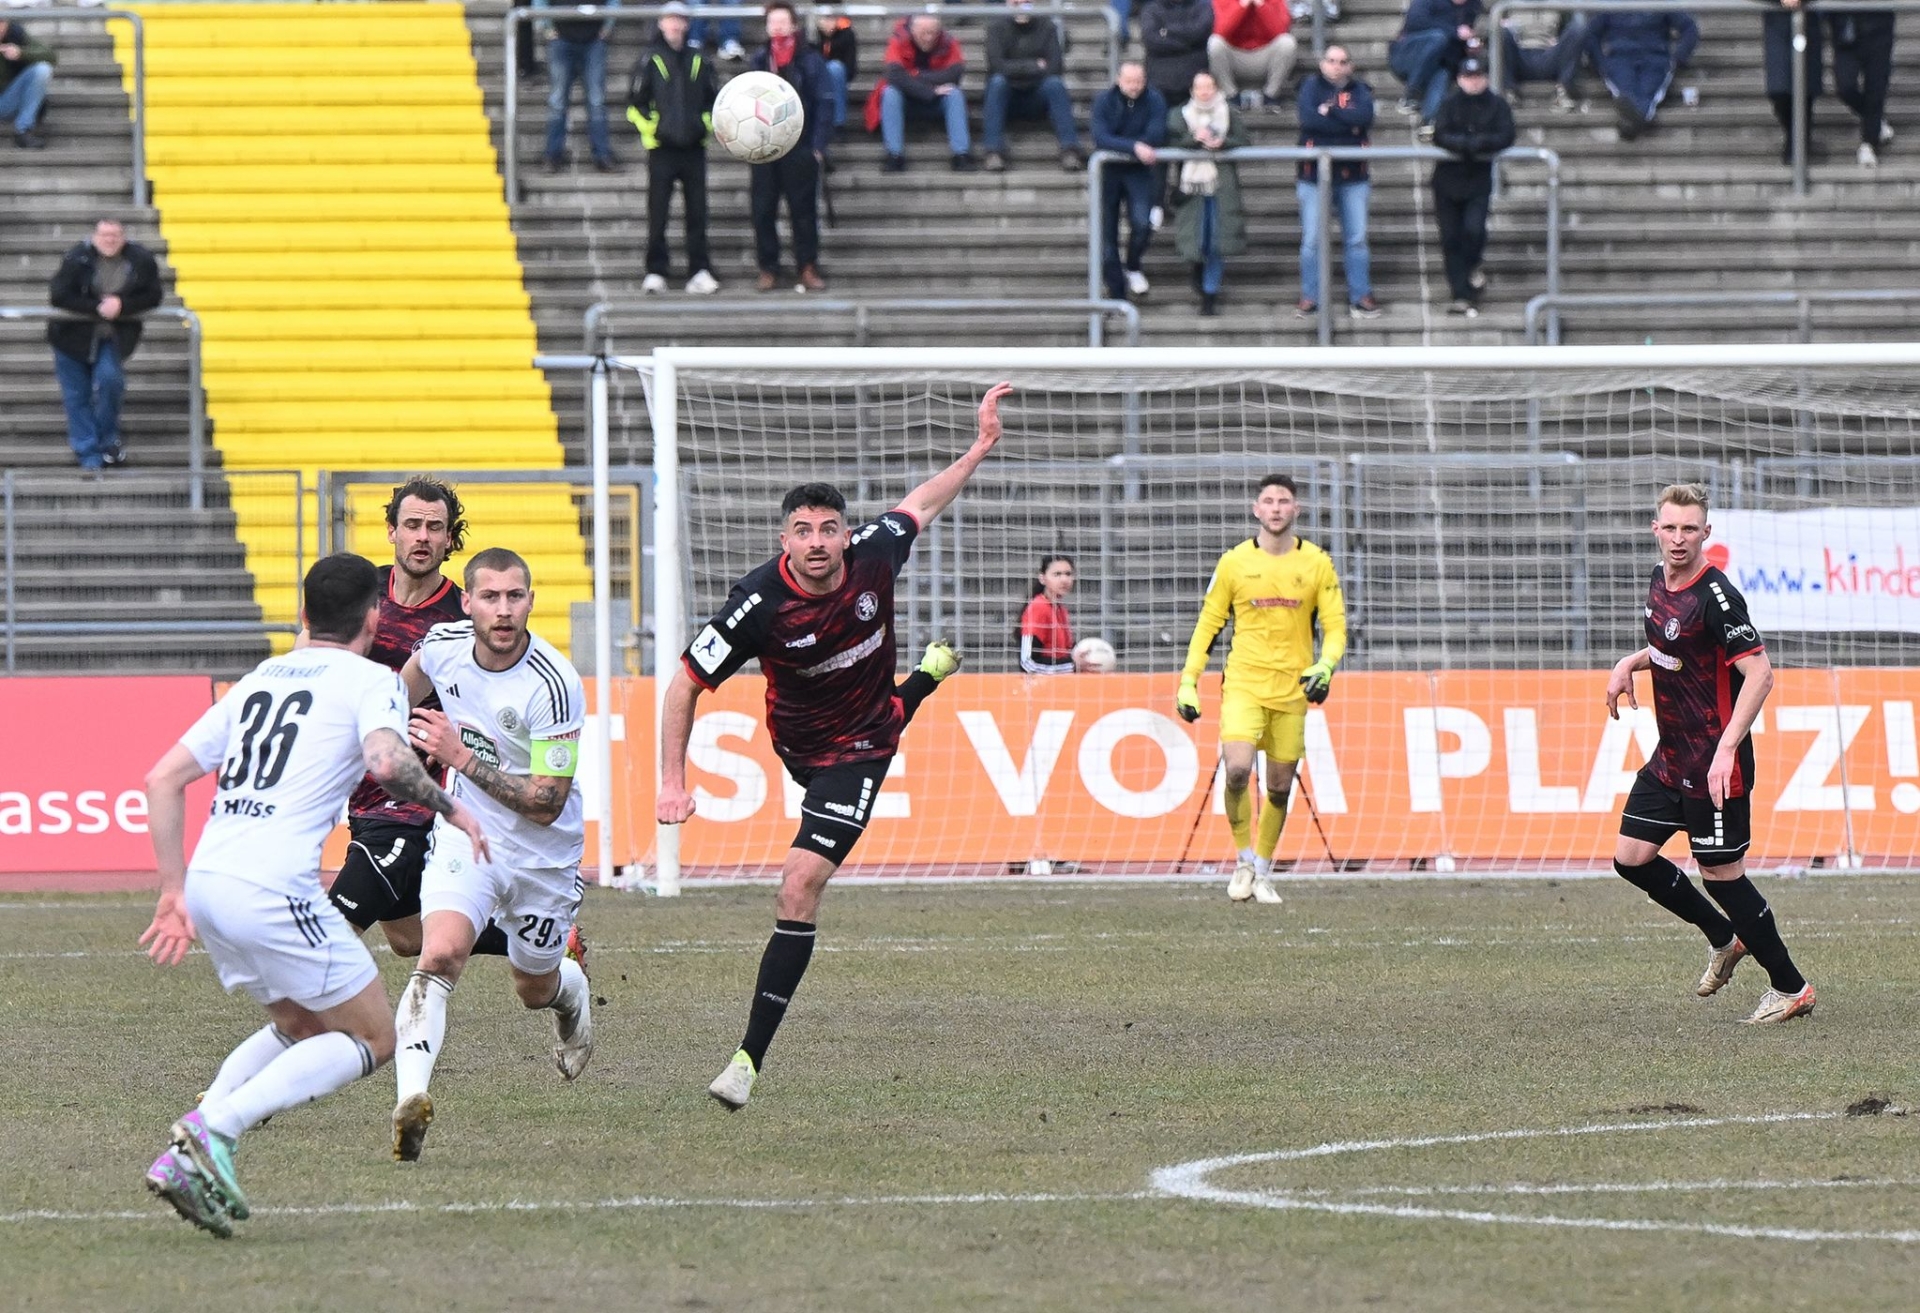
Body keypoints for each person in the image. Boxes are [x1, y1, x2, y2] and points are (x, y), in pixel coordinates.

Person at [658, 383, 1014, 1110]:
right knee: (885, 705)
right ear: (784, 541)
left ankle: (746, 1062)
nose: (818, 541)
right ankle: (926, 678)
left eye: (828, 528)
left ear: (847, 535)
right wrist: (671, 780)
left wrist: (979, 446)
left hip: (858, 750)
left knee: (798, 884)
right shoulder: (757, 605)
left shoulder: (877, 554)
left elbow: (924, 502)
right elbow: (683, 685)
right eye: (803, 530)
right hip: (797, 742)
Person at [138, 554, 490, 1238]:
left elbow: (162, 779)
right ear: (373, 619)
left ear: (304, 615)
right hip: (274, 886)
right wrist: (454, 808)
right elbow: (386, 761)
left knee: (302, 1022)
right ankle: (212, 1130)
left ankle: (194, 1139)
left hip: (210, 881)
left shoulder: (258, 679)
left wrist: (173, 889)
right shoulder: (373, 680)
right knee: (375, 1036)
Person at [389, 548, 596, 1161]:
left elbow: (546, 803)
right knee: (439, 954)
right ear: (468, 603)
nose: (503, 610)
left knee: (533, 987)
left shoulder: (554, 684)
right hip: (468, 835)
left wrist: (458, 756)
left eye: (514, 597)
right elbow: (398, 694)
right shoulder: (442, 647)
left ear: (531, 602)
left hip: (543, 859)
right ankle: (410, 1100)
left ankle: (572, 993)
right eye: (490, 597)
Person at [319, 479, 560, 969]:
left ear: (450, 538)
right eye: (412, 525)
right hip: (362, 789)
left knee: (331, 927)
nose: (422, 537)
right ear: (392, 531)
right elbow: (314, 657)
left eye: (435, 528)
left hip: (415, 803)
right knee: (409, 937)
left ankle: (320, 1022)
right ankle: (541, 940)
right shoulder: (359, 595)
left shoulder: (467, 616)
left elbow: (506, 695)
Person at [1604, 484, 1815, 1026]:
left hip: (1716, 763)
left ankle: (1791, 987)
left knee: (1721, 874)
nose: (1679, 539)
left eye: (1690, 529)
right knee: (1631, 858)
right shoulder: (1660, 579)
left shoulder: (1718, 597)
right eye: (1671, 528)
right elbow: (1675, 647)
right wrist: (1630, 662)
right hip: (1672, 756)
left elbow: (1760, 674)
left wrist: (1726, 750)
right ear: (1656, 529)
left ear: (1706, 533)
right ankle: (1724, 936)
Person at [1176, 475, 1345, 905]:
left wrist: (1325, 665)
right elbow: (1208, 624)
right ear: (1256, 510)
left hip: (1291, 689)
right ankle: (1244, 860)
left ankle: (1264, 870)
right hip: (1244, 684)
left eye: (1283, 501)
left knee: (1279, 788)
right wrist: (1189, 681)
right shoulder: (1234, 562)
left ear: (1295, 510)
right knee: (1236, 770)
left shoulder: (1317, 563)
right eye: (1268, 501)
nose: (1275, 508)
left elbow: (1335, 626)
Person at [47, 218, 162, 472]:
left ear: (124, 237)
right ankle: (89, 453)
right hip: (69, 338)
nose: (109, 240)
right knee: (77, 396)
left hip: (110, 336)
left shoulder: (140, 260)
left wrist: (122, 305)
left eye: (115, 235)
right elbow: (59, 295)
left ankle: (107, 440)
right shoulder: (77, 258)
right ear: (94, 237)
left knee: (111, 381)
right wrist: (97, 307)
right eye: (104, 235)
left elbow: (154, 295)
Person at [629, 0, 721, 295]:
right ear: (661, 24)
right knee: (658, 214)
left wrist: (704, 126)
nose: (674, 25)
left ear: (686, 24)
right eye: (669, 19)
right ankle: (656, 271)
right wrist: (653, 130)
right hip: (662, 150)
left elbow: (714, 100)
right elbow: (635, 103)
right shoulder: (649, 58)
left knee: (698, 213)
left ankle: (699, 270)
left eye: (680, 19)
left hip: (694, 148)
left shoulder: (700, 59)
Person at [750, 1, 834, 292]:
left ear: (794, 25)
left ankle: (807, 266)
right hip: (764, 147)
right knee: (763, 210)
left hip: (800, 145)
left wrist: (818, 146)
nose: (777, 27)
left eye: (782, 21)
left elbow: (825, 102)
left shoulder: (810, 59)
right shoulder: (759, 59)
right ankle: (768, 268)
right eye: (772, 22)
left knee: (803, 211)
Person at [1295, 45, 1381, 320]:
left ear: (1350, 66)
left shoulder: (1360, 90)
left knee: (1357, 239)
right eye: (1331, 60)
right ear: (1322, 63)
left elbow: (1364, 118)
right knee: (1312, 240)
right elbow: (1309, 121)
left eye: (1342, 61)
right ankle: (1311, 296)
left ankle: (1360, 296)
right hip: (1313, 176)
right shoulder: (1310, 87)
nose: (1336, 66)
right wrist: (1347, 125)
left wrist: (1329, 112)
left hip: (1354, 176)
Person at [1429, 56, 1513, 317]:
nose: (1473, 82)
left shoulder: (1497, 104)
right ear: (1459, 79)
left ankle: (1472, 267)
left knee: (1474, 230)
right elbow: (1440, 134)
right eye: (1468, 77)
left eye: (1477, 77)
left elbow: (1507, 134)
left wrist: (1479, 143)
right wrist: (1467, 145)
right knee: (1450, 237)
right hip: (1447, 181)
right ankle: (1461, 294)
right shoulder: (1449, 103)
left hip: (1477, 180)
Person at [1168, 70, 1247, 316]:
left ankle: (1210, 294)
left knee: (1215, 242)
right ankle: (1198, 273)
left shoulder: (1228, 113)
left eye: (1209, 86)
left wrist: (1223, 143)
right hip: (1192, 187)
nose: (1204, 92)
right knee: (1197, 239)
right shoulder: (1179, 114)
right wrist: (1194, 139)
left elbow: (1244, 141)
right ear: (1192, 90)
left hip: (1221, 186)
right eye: (1200, 87)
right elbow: (1171, 141)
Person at [1092, 61, 1167, 300]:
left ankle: (1133, 264)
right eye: (1129, 81)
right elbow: (1100, 137)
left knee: (1142, 223)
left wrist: (1130, 147)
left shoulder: (1154, 99)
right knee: (1108, 238)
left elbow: (1156, 133)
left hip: (1139, 172)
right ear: (1118, 80)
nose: (1134, 86)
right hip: (1109, 172)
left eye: (1138, 81)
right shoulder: (1104, 101)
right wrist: (1134, 146)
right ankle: (1117, 293)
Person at [982, 0, 1085, 173]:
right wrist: (1035, 66)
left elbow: (1055, 67)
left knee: (1055, 84)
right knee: (997, 83)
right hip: (1008, 95)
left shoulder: (1047, 26)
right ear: (1007, 3)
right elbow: (997, 66)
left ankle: (1070, 149)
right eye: (1016, 2)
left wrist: (1014, 68)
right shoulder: (996, 27)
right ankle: (993, 151)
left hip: (1037, 95)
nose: (1021, 6)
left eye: (1026, 2)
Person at [867, 13, 975, 172]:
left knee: (955, 94)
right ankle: (894, 155)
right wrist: (931, 91)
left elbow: (955, 73)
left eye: (933, 33)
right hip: (907, 99)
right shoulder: (898, 40)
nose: (929, 38)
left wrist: (915, 75)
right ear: (912, 30)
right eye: (924, 33)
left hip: (937, 100)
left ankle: (961, 154)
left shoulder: (948, 41)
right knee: (890, 93)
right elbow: (894, 75)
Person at [1584, 10, 1698, 141]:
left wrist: (1678, 58)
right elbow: (1591, 33)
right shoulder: (1611, 5)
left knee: (1648, 92)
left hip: (1655, 59)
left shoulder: (1661, 4)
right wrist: (1600, 63)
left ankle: (1633, 123)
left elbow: (1689, 27)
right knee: (1625, 94)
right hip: (1620, 59)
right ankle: (1637, 120)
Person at [536, 0, 619, 172]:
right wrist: (546, 26)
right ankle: (552, 155)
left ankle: (602, 155)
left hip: (593, 38)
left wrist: (608, 25)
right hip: (562, 38)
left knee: (596, 101)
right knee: (558, 101)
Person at [1389, 0, 1480, 126]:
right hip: (1409, 54)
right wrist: (1454, 32)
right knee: (1438, 38)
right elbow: (1415, 21)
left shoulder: (1472, 6)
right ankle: (1414, 91)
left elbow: (1460, 40)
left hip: (1440, 60)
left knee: (1443, 71)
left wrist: (1469, 47)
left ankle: (1429, 123)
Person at [1831, 10, 1895, 167]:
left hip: (1878, 27)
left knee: (1875, 87)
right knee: (1845, 87)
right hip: (1846, 28)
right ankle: (1874, 122)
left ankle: (1869, 143)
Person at [1207, 0, 1296, 111]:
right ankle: (1231, 97)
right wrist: (1242, 5)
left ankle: (1270, 96)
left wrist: (1261, 5)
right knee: (1215, 42)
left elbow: (1280, 30)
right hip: (1235, 57)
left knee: (1287, 42)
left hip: (1264, 56)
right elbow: (1221, 31)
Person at [1763, 0, 1821, 167]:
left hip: (1808, 20)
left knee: (1806, 87)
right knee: (1778, 90)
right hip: (1777, 23)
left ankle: (1798, 143)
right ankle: (1793, 135)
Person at [1497, 8, 1587, 111]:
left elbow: (1569, 29)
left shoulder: (1558, 5)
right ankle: (1509, 93)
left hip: (1549, 55)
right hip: (1519, 55)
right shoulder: (1509, 5)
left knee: (1577, 29)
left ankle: (1563, 92)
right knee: (1502, 32)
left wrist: (1559, 38)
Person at [1140, 0, 1215, 110]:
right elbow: (1150, 39)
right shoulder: (1151, 8)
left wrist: (1166, 31)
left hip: (1194, 78)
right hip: (1160, 79)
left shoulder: (1203, 6)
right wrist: (1187, 44)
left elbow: (1200, 32)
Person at [1019, 554, 1077, 674]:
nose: (1064, 580)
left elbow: (1063, 654)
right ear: (1042, 578)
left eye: (1068, 574)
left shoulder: (1060, 610)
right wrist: (1073, 667)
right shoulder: (1038, 607)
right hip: (1042, 684)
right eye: (1057, 574)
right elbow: (1027, 662)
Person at [0, 17, 52, 149]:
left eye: (2, 22)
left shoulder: (16, 35)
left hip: (8, 99)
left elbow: (50, 55)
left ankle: (23, 131)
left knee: (42, 69)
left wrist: (21, 53)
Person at [816, 12, 859, 131]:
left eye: (830, 19)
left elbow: (850, 66)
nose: (827, 23)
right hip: (816, 74)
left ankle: (837, 123)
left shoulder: (847, 34)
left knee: (835, 68)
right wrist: (823, 37)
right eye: (825, 19)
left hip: (838, 77)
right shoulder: (813, 35)